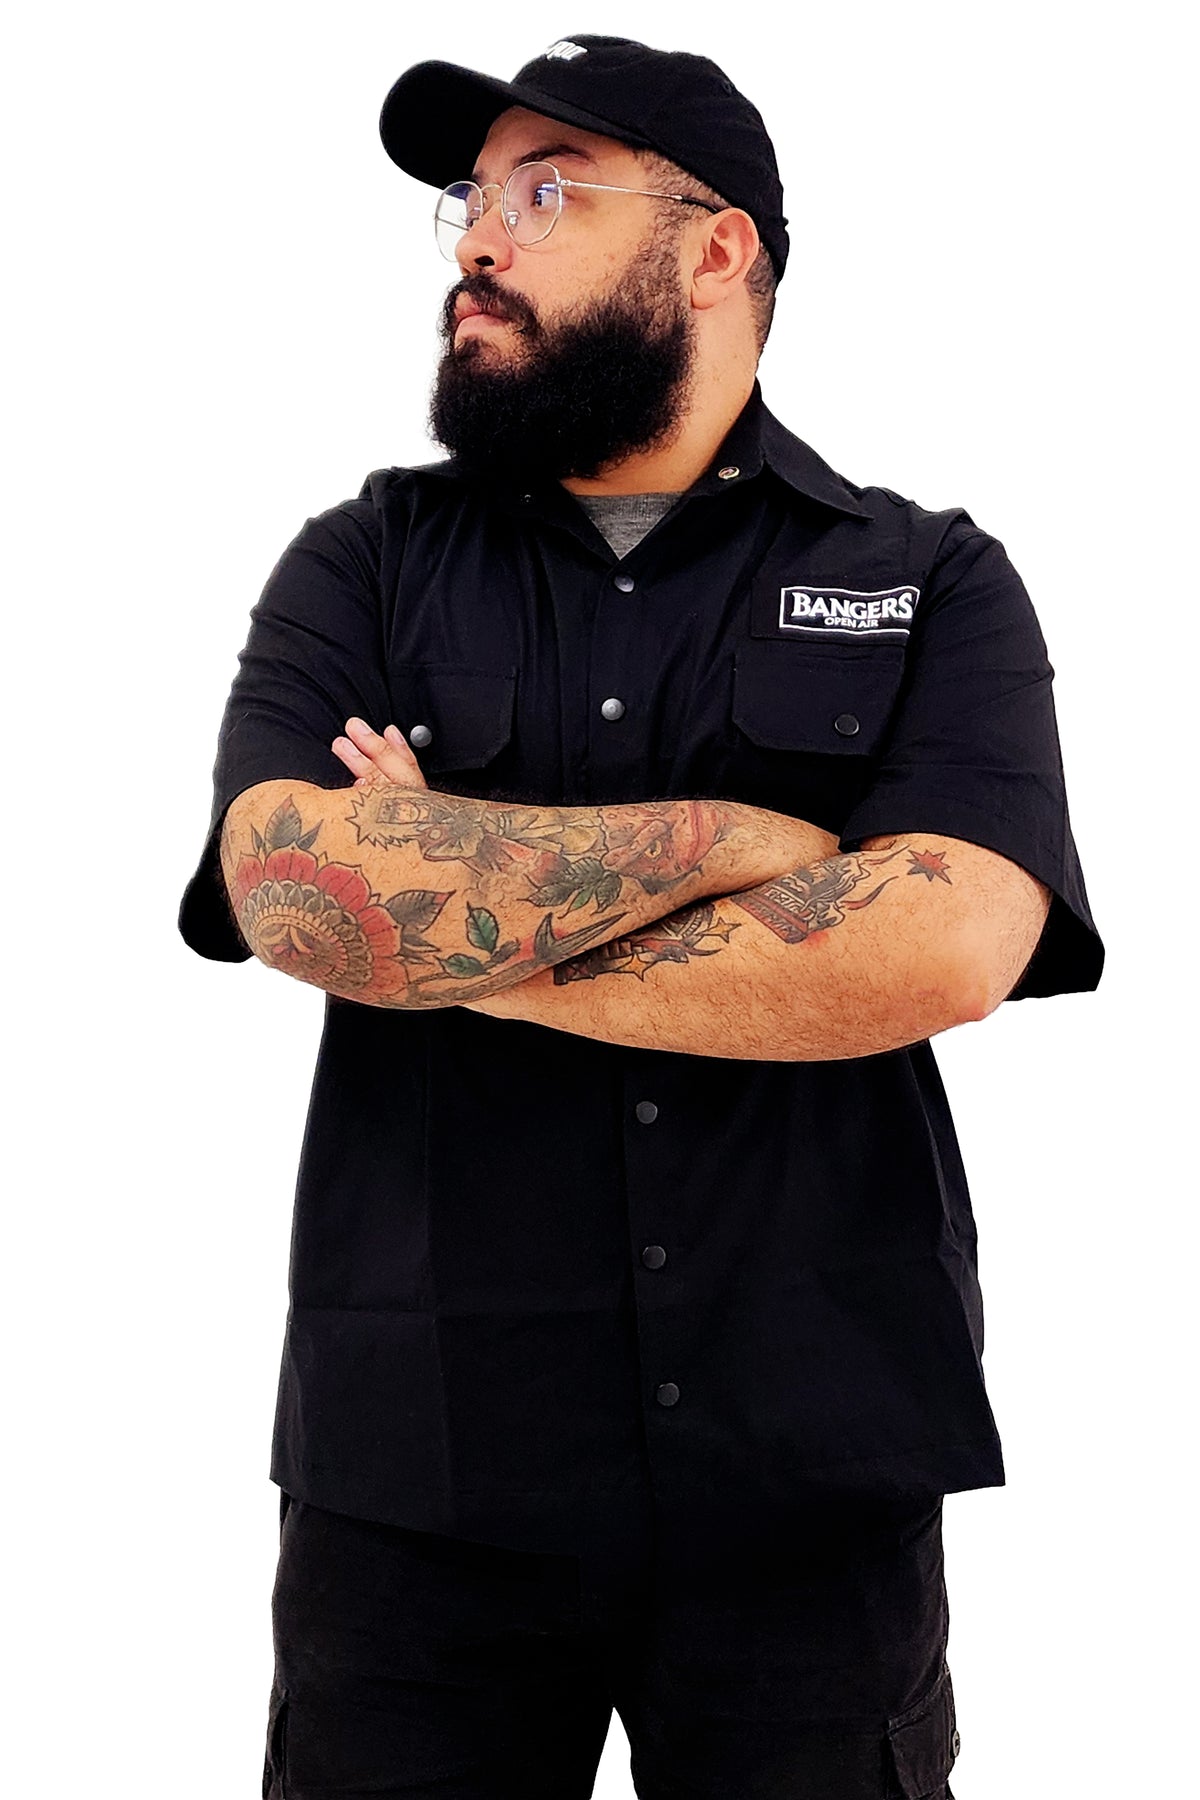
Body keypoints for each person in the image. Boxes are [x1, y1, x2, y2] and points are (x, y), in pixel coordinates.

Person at [178, 34, 1104, 1800]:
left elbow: (944, 945)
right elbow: (291, 886)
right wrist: (753, 848)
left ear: (713, 250)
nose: (478, 239)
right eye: (473, 199)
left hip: (809, 1471)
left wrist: (447, 907)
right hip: (419, 1487)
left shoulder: (931, 580)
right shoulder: (364, 562)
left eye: (548, 193)